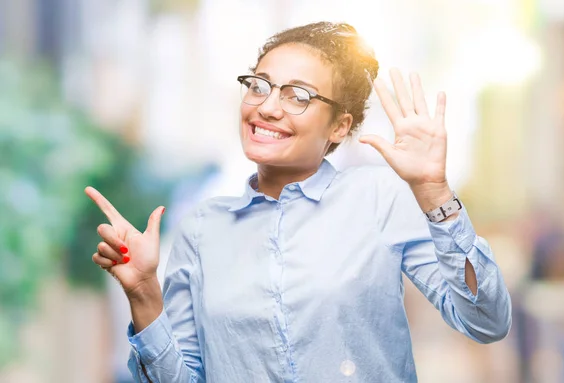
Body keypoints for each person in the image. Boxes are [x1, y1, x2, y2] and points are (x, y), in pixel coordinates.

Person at [85, 21, 512, 383]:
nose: (267, 107)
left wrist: (435, 192)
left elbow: (485, 322)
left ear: (339, 127)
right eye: (259, 86)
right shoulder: (202, 229)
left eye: (298, 95)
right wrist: (143, 294)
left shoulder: (378, 198)